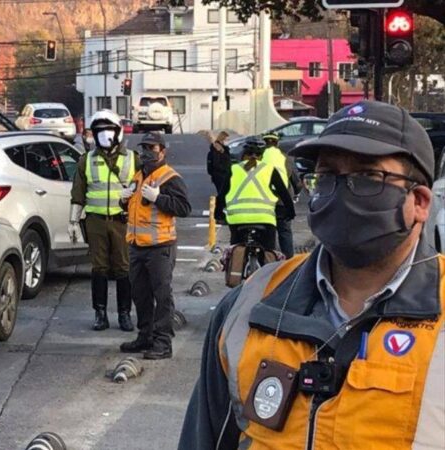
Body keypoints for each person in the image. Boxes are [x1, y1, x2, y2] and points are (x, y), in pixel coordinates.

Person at [179, 101, 444, 449]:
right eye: (327, 176)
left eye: (367, 176)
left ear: (420, 201)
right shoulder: (250, 303)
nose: (341, 194)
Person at [119, 132, 191, 360]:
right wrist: (123, 200)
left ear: (162, 151)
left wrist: (159, 198)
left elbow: (184, 208)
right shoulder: (138, 175)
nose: (147, 153)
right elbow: (134, 209)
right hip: (137, 246)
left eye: (152, 148)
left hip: (160, 247)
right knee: (140, 294)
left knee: (162, 296)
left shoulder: (170, 178)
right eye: (144, 148)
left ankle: (163, 343)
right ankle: (146, 336)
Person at [70, 110, 138, 331]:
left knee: (123, 268)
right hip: (95, 221)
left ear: (118, 132)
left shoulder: (132, 159)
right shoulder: (86, 160)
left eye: (108, 130)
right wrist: (73, 222)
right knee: (99, 268)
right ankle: (100, 314)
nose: (104, 135)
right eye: (99, 131)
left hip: (122, 221)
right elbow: (78, 193)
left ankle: (124, 314)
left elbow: (142, 187)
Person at [224, 138, 294, 252]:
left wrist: (218, 214)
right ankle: (269, 261)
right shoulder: (270, 169)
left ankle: (235, 261)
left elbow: (222, 194)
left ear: (243, 154)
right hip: (265, 218)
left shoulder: (234, 169)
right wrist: (290, 211)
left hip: (237, 218)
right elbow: (283, 192)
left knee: (235, 249)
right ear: (261, 156)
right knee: (269, 251)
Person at [262, 132, 302, 257]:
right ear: (277, 143)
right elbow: (295, 180)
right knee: (284, 231)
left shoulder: (258, 158)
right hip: (282, 201)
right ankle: (289, 261)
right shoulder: (285, 158)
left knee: (268, 233)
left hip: (264, 201)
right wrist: (296, 193)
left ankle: (268, 260)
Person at [207, 131, 232, 223]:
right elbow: (216, 164)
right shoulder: (217, 150)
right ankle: (219, 215)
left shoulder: (223, 149)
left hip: (223, 175)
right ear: (222, 139)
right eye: (226, 139)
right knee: (222, 195)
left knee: (223, 194)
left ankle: (219, 214)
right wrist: (225, 170)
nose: (228, 141)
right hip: (220, 176)